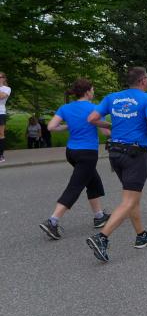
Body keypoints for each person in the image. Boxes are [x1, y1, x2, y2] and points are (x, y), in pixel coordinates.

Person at [85, 67, 147, 263]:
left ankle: (141, 235)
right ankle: (102, 238)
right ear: (143, 80)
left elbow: (92, 119)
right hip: (135, 154)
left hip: (115, 153)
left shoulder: (112, 97)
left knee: (132, 196)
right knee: (129, 200)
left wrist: (110, 125)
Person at [39, 79, 110, 240]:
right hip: (87, 153)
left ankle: (99, 216)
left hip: (71, 152)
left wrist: (67, 126)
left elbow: (51, 127)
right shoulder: (95, 108)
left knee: (93, 181)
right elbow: (106, 132)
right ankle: (52, 221)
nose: (93, 92)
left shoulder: (65, 108)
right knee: (75, 186)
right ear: (87, 92)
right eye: (92, 89)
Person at [0, 72, 9, 163]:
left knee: (1, 134)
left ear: (4, 78)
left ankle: (1, 155)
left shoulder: (7, 89)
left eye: (0, 77)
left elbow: (1, 97)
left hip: (1, 113)